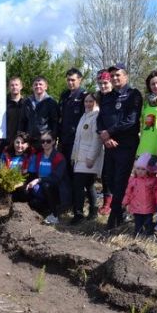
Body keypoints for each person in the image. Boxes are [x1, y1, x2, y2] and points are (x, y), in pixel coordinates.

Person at [97, 63, 143, 230]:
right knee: (109, 179)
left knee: (120, 180)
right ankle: (119, 213)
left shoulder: (134, 94)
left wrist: (109, 132)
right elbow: (100, 118)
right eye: (113, 76)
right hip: (109, 145)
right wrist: (103, 134)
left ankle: (114, 219)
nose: (115, 78)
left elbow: (131, 120)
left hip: (126, 144)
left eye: (118, 75)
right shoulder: (107, 96)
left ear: (126, 76)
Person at [70, 92, 103, 225]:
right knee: (89, 185)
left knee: (78, 185)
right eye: (86, 101)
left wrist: (91, 157)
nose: (88, 104)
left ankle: (78, 214)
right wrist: (73, 156)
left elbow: (97, 139)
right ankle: (93, 211)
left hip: (88, 158)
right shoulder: (84, 116)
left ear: (96, 102)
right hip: (80, 157)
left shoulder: (96, 117)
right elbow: (78, 139)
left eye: (91, 101)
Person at [25, 130, 70, 225]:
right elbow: (31, 173)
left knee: (46, 186)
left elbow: (56, 178)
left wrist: (39, 180)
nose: (45, 143)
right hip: (41, 186)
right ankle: (44, 211)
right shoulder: (38, 156)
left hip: (56, 188)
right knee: (31, 195)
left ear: (53, 141)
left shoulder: (59, 157)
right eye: (42, 141)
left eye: (48, 141)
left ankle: (55, 215)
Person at [122, 153, 157, 237]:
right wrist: (125, 202)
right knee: (138, 223)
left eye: (143, 169)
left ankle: (148, 235)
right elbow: (128, 192)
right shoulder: (133, 180)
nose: (140, 171)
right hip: (136, 207)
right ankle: (137, 235)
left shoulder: (152, 181)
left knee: (148, 223)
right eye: (138, 168)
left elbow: (156, 192)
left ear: (148, 170)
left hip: (148, 208)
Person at [22, 76, 59, 149]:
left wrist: (52, 138)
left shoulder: (51, 102)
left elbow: (55, 122)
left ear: (46, 87)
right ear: (32, 87)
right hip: (29, 141)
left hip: (45, 141)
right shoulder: (27, 102)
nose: (38, 86)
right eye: (35, 84)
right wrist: (22, 137)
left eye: (40, 84)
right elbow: (23, 121)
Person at [58, 68, 86, 166]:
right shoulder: (64, 95)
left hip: (76, 140)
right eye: (68, 80)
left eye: (73, 80)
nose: (70, 82)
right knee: (62, 168)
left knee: (73, 169)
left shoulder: (84, 96)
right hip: (63, 139)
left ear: (80, 80)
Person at [96, 69, 114, 215]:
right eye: (100, 84)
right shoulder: (100, 98)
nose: (103, 86)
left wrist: (111, 135)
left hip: (117, 139)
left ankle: (119, 202)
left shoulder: (118, 97)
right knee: (106, 172)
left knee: (117, 173)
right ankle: (107, 201)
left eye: (105, 83)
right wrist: (102, 134)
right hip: (104, 138)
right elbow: (99, 119)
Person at [0, 76, 26, 156]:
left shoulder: (27, 103)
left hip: (21, 143)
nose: (14, 87)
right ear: (9, 87)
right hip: (6, 141)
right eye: (12, 85)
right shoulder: (2, 103)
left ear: (21, 87)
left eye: (16, 85)